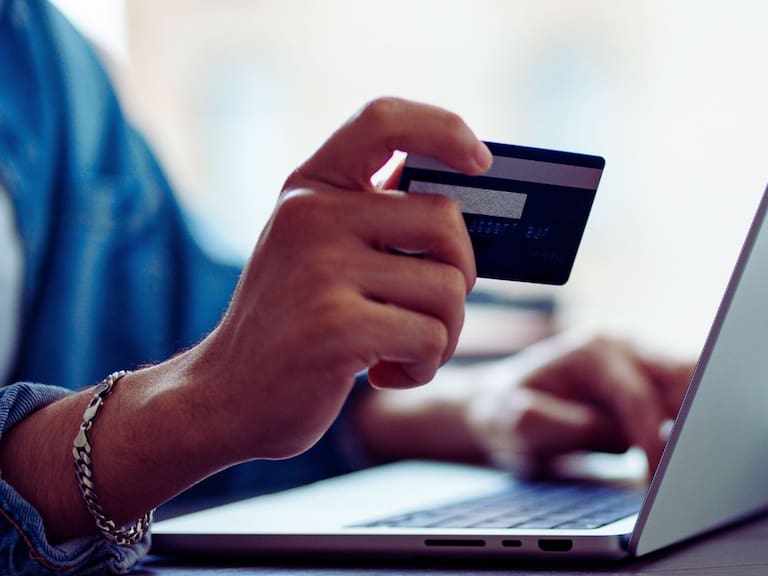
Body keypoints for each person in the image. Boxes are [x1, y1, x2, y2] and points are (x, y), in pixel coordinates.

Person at [0, 1, 693, 573]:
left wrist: (479, 408)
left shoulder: (45, 57)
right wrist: (199, 400)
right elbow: (211, 385)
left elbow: (227, 362)